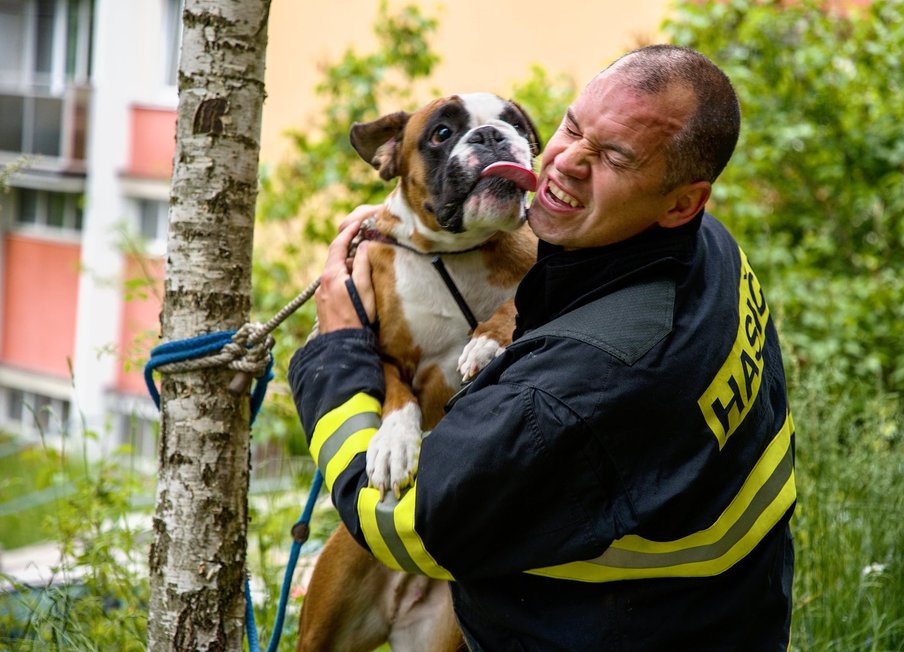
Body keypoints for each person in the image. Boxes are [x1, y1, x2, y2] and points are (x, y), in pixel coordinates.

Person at [289, 44, 795, 650]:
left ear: (683, 199)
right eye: (572, 127)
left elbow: (415, 523)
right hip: (728, 610)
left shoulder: (572, 387)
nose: (566, 163)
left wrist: (338, 349)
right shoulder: (712, 249)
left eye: (612, 157)